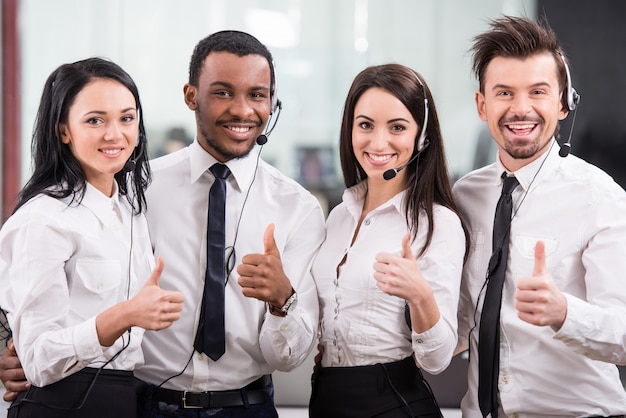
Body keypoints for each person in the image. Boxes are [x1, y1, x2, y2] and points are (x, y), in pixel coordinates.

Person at [0, 31, 325, 418]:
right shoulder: (134, 191)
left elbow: (289, 357)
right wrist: (24, 351)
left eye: (257, 95)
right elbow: (60, 310)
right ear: (190, 96)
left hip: (247, 406)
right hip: (140, 404)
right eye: (222, 92)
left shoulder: (299, 208)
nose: (242, 110)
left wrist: (281, 301)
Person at [453, 16, 626, 417]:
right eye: (504, 93)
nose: (521, 108)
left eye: (538, 92)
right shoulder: (463, 197)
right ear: (482, 105)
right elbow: (461, 323)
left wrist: (565, 313)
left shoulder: (601, 199)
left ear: (564, 103)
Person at [0, 57, 185, 418]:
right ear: (63, 130)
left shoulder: (132, 211)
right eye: (95, 120)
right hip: (61, 403)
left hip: (124, 399)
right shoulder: (42, 220)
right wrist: (124, 315)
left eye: (126, 118)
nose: (114, 134)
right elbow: (37, 358)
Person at [309, 64, 467, 417]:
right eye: (365, 125)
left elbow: (438, 359)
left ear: (422, 136)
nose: (378, 142)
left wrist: (420, 295)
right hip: (326, 399)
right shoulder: (338, 216)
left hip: (392, 403)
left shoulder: (437, 224)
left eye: (397, 127)